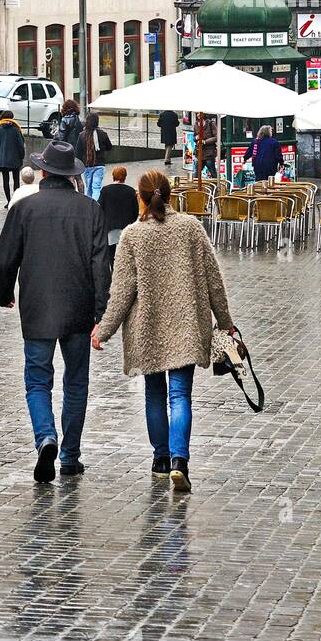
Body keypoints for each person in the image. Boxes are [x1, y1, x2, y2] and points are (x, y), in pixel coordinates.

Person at [91, 169, 234, 493]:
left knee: (155, 395)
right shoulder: (191, 228)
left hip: (148, 329)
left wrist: (104, 330)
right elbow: (214, 281)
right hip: (187, 326)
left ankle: (160, 459)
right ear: (171, 195)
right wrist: (225, 323)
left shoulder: (132, 236)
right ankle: (179, 461)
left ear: (140, 198)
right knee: (180, 395)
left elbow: (123, 291)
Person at [0, 141, 110, 482]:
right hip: (79, 308)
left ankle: (46, 436)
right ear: (72, 175)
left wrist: (4, 294)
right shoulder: (91, 210)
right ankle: (70, 457)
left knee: (37, 381)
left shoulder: (25, 208)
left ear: (44, 173)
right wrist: (102, 315)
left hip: (37, 307)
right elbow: (101, 266)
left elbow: (4, 259)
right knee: (76, 383)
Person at [98, 165, 140, 268]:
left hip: (110, 227)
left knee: (111, 253)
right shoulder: (131, 191)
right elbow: (135, 211)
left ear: (113, 176)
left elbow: (100, 208)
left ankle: (113, 269)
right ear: (125, 177)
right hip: (126, 227)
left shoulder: (105, 190)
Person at [75, 112, 112, 200]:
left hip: (87, 166)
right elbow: (109, 147)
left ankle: (89, 207)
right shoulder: (103, 134)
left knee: (89, 189)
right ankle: (96, 205)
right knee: (96, 187)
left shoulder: (82, 135)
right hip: (99, 165)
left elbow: (77, 153)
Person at [0, 110, 26, 208]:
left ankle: (8, 201)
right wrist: (22, 156)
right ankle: (15, 201)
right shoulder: (16, 129)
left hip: (3, 159)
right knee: (16, 180)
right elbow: (20, 145)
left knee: (5, 181)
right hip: (15, 158)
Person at [57, 100, 84, 192]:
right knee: (78, 177)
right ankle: (82, 196)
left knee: (70, 175)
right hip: (78, 150)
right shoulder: (78, 120)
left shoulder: (65, 120)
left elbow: (61, 138)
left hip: (68, 151)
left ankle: (72, 195)